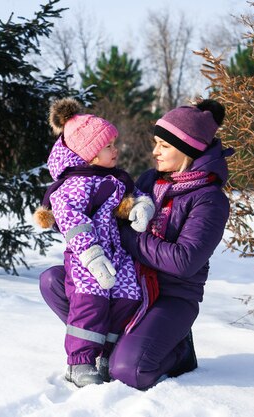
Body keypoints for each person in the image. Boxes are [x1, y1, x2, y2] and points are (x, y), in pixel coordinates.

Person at [39, 99, 234, 390]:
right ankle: (104, 345)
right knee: (53, 280)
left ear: (188, 149)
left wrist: (128, 238)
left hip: (171, 296)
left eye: (163, 146)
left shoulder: (209, 199)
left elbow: (184, 261)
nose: (154, 151)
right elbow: (107, 213)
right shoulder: (149, 180)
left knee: (129, 372)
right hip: (129, 282)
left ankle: (178, 351)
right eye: (156, 143)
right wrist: (68, 218)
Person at [33, 98, 156, 387]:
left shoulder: (115, 178)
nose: (116, 150)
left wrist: (141, 207)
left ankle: (106, 357)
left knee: (128, 297)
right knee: (90, 302)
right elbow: (70, 218)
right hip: (86, 256)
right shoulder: (74, 184)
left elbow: (134, 196)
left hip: (119, 254)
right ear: (89, 154)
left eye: (114, 144)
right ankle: (80, 363)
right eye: (109, 146)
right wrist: (91, 255)